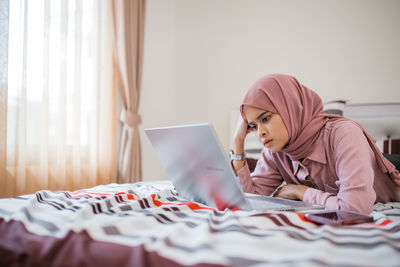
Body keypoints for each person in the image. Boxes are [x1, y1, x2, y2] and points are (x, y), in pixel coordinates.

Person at [232, 73, 400, 214]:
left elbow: (355, 209)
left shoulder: (344, 134)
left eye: (266, 118)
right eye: (253, 126)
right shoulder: (275, 152)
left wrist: (301, 192)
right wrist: (237, 144)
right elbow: (250, 201)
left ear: (290, 108)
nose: (260, 133)